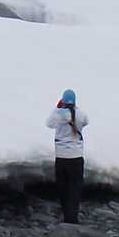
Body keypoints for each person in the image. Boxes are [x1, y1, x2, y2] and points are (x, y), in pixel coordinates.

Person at [45, 89, 90, 224]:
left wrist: (57, 108)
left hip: (61, 157)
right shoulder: (81, 114)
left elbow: (49, 124)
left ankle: (66, 216)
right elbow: (86, 121)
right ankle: (73, 217)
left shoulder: (58, 115)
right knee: (74, 188)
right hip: (76, 156)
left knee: (63, 187)